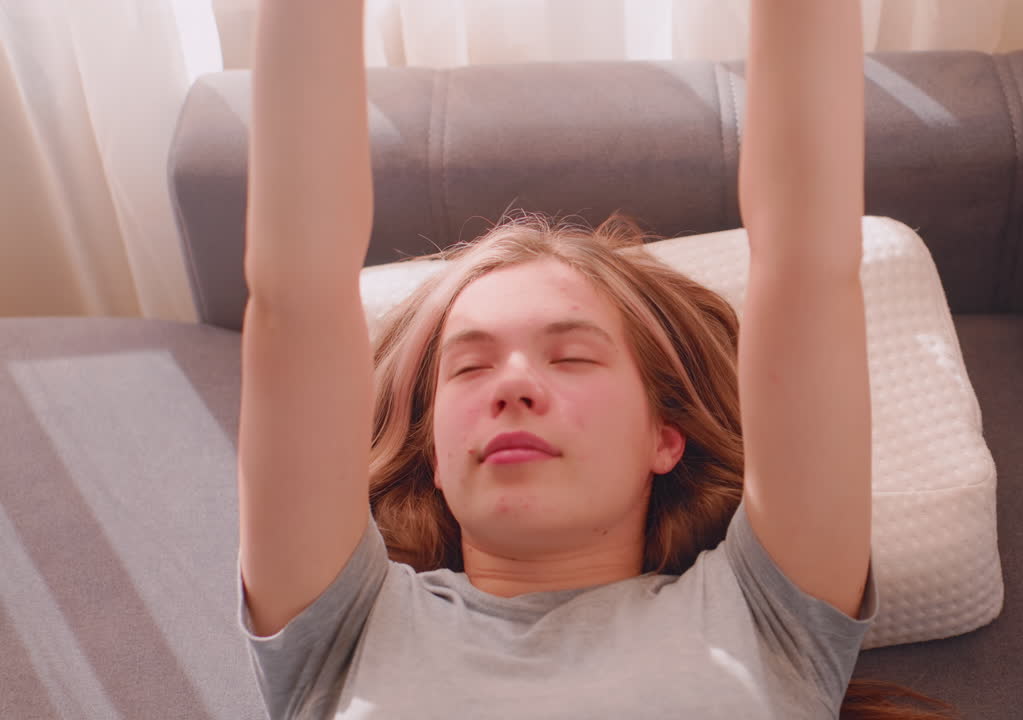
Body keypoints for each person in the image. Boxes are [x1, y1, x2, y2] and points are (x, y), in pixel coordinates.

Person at [237, 0, 958, 718]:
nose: (514, 386)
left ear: (663, 438)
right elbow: (293, 295)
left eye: (573, 358)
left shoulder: (766, 614)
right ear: (433, 451)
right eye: (470, 367)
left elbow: (810, 262)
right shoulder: (344, 628)